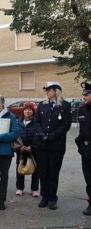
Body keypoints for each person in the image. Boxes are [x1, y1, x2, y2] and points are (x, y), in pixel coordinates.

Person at [35, 81, 71, 210]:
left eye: (49, 89)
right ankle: (44, 197)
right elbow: (37, 121)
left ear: (56, 91)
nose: (46, 92)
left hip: (56, 146)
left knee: (53, 173)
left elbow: (65, 125)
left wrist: (51, 136)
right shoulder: (42, 105)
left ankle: (52, 198)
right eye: (46, 90)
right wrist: (42, 134)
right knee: (43, 172)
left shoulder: (65, 106)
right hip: (42, 145)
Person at [15, 102, 41, 197]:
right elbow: (15, 136)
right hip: (21, 149)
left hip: (33, 149)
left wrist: (32, 147)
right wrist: (19, 147)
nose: (27, 112)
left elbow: (39, 136)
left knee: (35, 170)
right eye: (25, 110)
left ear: (33, 111)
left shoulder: (37, 123)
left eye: (30, 110)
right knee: (20, 168)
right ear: (23, 111)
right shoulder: (18, 122)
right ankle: (19, 188)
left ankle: (34, 189)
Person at [77, 82, 91, 215]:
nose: (84, 96)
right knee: (88, 178)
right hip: (86, 149)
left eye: (86, 94)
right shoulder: (82, 109)